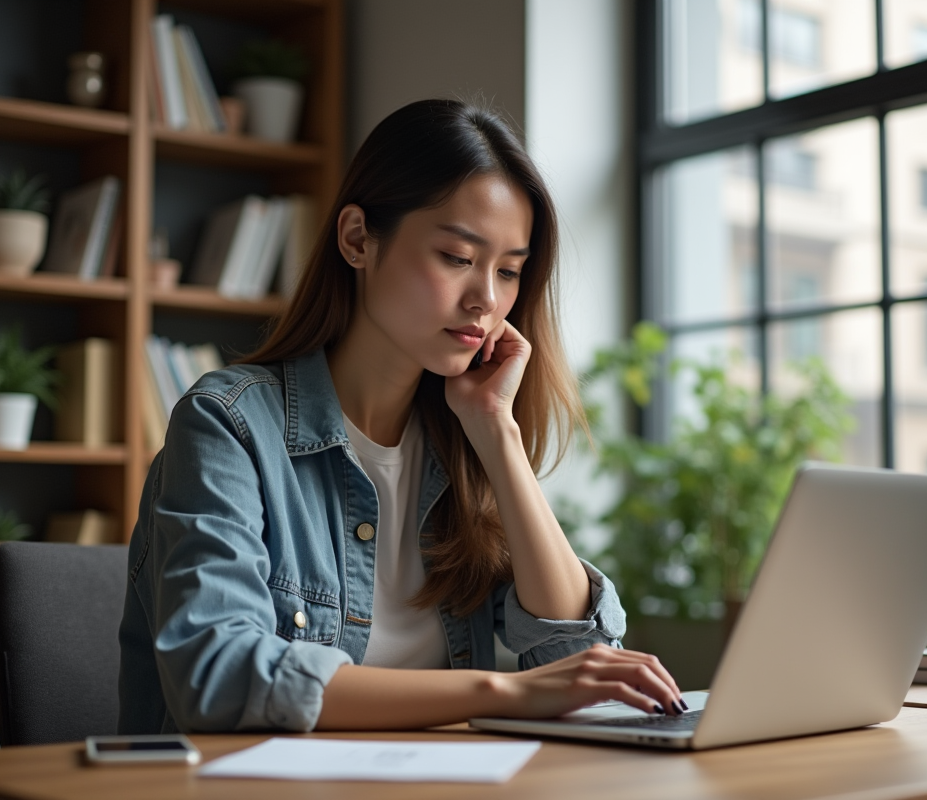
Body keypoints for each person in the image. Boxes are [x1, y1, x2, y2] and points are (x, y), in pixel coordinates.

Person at [117, 99, 684, 734]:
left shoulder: (460, 440)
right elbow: (218, 676)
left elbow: (576, 660)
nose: (486, 300)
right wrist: (502, 692)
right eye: (457, 258)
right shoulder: (229, 425)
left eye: (509, 272)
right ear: (358, 238)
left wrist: (496, 431)